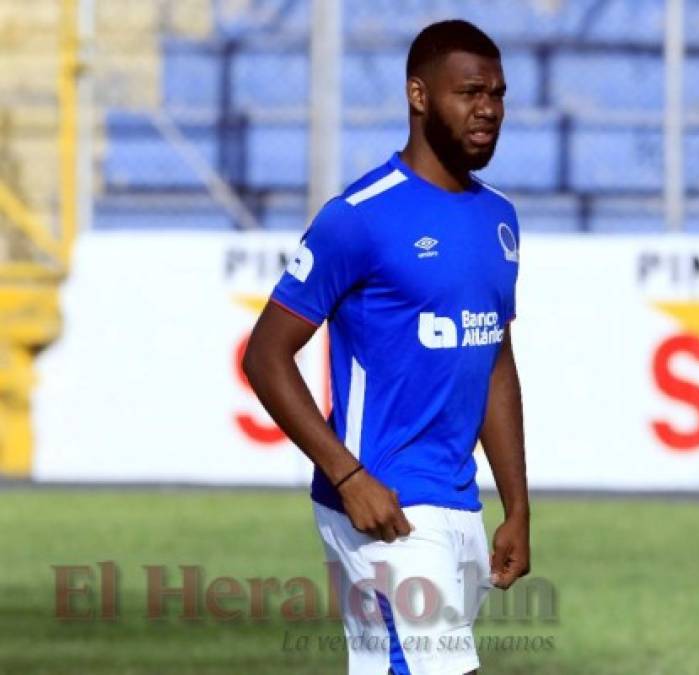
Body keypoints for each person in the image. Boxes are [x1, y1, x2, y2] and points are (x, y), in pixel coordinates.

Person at [242, 19, 529, 675]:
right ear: (418, 95)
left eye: (498, 93)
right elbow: (265, 353)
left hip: (456, 500)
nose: (488, 109)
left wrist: (516, 506)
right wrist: (348, 475)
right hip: (384, 504)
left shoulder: (499, 218)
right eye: (469, 92)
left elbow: (494, 361)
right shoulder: (360, 215)